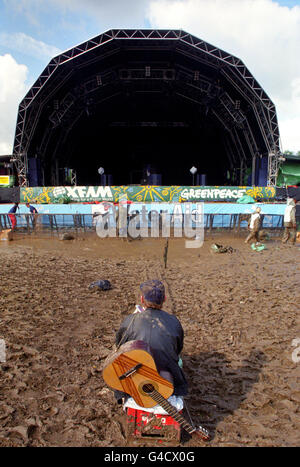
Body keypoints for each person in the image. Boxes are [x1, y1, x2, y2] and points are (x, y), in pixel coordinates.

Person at [114, 279, 188, 404]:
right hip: (166, 373)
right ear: (164, 299)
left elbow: (119, 346)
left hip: (137, 373)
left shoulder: (130, 320)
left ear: (142, 300)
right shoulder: (174, 321)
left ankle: (123, 396)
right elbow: (178, 349)